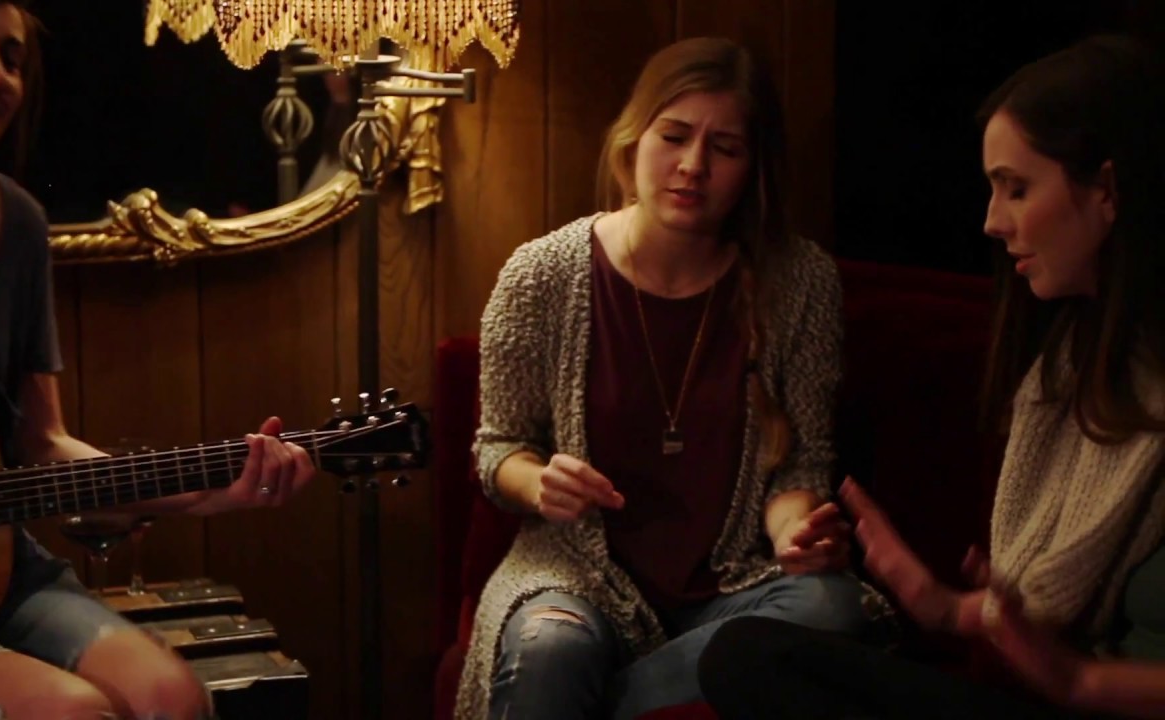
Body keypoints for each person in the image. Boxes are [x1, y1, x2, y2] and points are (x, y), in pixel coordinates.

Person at [697, 33, 1165, 720]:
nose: (993, 221)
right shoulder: (1080, 361)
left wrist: (1082, 683)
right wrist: (941, 607)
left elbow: (1073, 674)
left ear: (1107, 190)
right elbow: (1034, 627)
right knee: (748, 656)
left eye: (1017, 188)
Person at [0, 2, 316, 718]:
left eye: (12, 58)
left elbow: (44, 445)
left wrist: (206, 493)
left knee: (172, 697)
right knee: (70, 712)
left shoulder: (15, 223)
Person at [454, 36, 888, 720]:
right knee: (549, 649)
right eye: (675, 136)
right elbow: (497, 448)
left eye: (725, 148)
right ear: (634, 139)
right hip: (576, 575)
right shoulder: (542, 274)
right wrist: (539, 483)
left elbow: (799, 465)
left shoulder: (800, 283)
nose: (693, 166)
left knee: (832, 607)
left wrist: (794, 536)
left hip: (733, 585)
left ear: (754, 167)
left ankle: (605, 705)